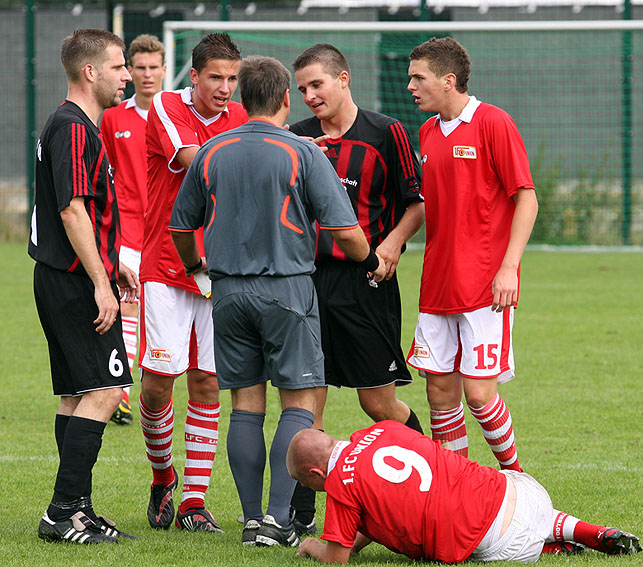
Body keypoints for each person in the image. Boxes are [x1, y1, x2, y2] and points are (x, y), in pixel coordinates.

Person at [169, 55, 386, 548]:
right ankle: (276, 520)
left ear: (243, 99)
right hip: (287, 290)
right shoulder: (302, 151)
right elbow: (346, 230)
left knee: (245, 405)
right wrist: (370, 259)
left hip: (227, 294)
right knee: (299, 405)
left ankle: (250, 521)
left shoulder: (211, 151)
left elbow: (181, 226)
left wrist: (197, 266)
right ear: (287, 98)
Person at [289, 43, 425, 532]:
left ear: (343, 79)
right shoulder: (297, 137)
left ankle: (429, 479)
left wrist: (390, 244)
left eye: (317, 84)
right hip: (308, 282)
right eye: (302, 89)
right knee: (309, 401)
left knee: (377, 404)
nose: (310, 96)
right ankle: (301, 514)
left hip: (368, 280)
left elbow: (417, 203)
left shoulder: (386, 132)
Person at [405, 37, 540, 471]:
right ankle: (453, 488)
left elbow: (527, 198)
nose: (410, 86)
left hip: (485, 285)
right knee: (439, 394)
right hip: (437, 285)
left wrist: (509, 268)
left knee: (479, 394)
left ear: (448, 81)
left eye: (418, 78)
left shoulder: (493, 122)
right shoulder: (427, 132)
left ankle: (516, 478)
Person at [29, 28, 139, 544]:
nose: (127, 76)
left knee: (76, 393)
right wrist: (100, 281)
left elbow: (84, 213)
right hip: (75, 282)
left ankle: (79, 509)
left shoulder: (71, 124)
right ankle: (62, 511)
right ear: (91, 71)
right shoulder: (73, 127)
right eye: (119, 66)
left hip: (62, 276)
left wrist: (112, 264)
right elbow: (72, 210)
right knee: (108, 390)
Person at [139, 32, 248, 533]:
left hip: (219, 269)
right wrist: (257, 152)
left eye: (233, 78)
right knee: (158, 382)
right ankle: (164, 475)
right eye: (216, 78)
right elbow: (191, 159)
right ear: (195, 74)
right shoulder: (166, 105)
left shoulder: (240, 116)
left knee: (208, 381)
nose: (225, 88)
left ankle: (194, 503)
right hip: (167, 265)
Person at [287, 421, 642, 563]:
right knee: (527, 510)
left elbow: (337, 558)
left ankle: (551, 546)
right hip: (519, 490)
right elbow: (389, 500)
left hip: (505, 545)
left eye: (306, 483)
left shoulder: (341, 485)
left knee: (491, 539)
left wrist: (312, 545)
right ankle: (584, 531)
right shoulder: (383, 429)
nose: (311, 489)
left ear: (316, 472)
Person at [101, 34, 167, 425]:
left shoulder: (173, 115)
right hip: (126, 228)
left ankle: (150, 386)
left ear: (164, 69)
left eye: (153, 67)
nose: (145, 74)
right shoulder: (113, 118)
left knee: (157, 311)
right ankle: (121, 392)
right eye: (138, 67)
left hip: (165, 231)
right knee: (127, 304)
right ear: (130, 70)